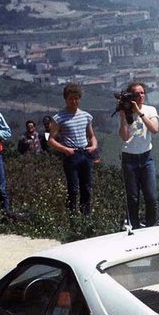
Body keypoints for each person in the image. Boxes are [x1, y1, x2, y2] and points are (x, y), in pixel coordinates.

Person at [48, 83, 98, 216]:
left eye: (76, 98)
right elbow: (51, 140)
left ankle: (86, 217)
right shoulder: (59, 118)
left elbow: (92, 136)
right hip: (71, 155)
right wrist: (65, 150)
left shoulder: (86, 116)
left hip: (85, 153)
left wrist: (93, 146)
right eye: (71, 98)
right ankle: (72, 217)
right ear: (66, 99)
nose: (74, 101)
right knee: (73, 188)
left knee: (86, 187)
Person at [118, 81, 159, 228]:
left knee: (151, 197)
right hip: (129, 158)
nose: (140, 96)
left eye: (142, 93)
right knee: (133, 197)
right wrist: (123, 116)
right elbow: (124, 136)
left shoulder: (150, 110)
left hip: (146, 157)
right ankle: (134, 227)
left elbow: (154, 129)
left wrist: (140, 112)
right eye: (136, 94)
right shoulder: (127, 111)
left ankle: (152, 226)